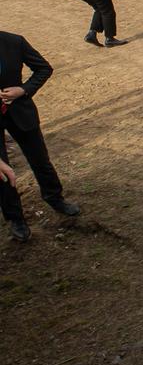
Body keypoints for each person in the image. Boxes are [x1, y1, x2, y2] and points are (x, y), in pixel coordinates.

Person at [0, 31, 80, 243]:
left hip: (20, 112)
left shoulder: (13, 42)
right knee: (3, 173)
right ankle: (16, 218)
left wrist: (23, 90)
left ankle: (55, 198)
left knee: (40, 160)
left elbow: (43, 68)